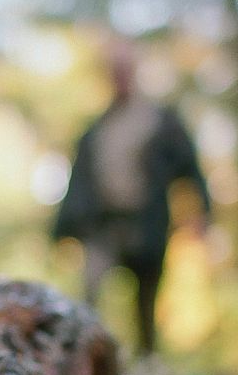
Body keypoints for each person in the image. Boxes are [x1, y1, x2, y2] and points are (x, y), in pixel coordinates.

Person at [53, 44, 211, 353]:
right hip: (103, 226)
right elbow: (79, 181)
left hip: (148, 226)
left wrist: (201, 211)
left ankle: (148, 367)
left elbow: (189, 167)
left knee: (147, 304)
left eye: (125, 70)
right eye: (114, 71)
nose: (120, 77)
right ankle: (86, 362)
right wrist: (63, 230)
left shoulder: (161, 122)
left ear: (135, 72)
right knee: (89, 298)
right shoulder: (97, 129)